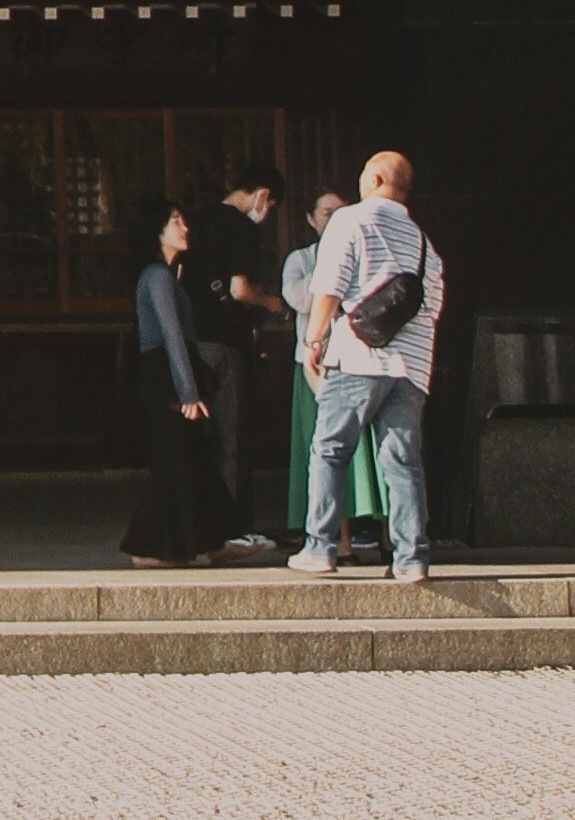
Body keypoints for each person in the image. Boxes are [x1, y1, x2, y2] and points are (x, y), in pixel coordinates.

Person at [294, 147, 443, 588]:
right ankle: (411, 558)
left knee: (330, 448)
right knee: (402, 461)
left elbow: (329, 286)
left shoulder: (350, 221)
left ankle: (320, 547)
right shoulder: (422, 241)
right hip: (411, 366)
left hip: (358, 357)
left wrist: (314, 340)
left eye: (363, 172)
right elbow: (432, 305)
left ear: (376, 180)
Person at [124, 201, 243, 568]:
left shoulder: (168, 274)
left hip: (172, 369)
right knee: (175, 459)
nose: (185, 227)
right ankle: (147, 548)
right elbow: (172, 335)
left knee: (196, 456)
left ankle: (215, 541)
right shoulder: (157, 276)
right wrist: (187, 392)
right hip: (165, 373)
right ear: (157, 231)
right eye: (176, 221)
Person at [280, 184, 390, 570]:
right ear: (311, 220)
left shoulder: (365, 253)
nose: (335, 219)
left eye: (342, 211)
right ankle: (338, 542)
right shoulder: (299, 259)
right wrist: (333, 270)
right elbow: (299, 299)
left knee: (378, 453)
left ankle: (390, 537)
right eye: (327, 213)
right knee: (327, 451)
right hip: (314, 366)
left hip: (360, 363)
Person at [194, 169, 291, 530]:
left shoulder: (197, 220)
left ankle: (202, 521)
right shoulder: (240, 227)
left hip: (191, 340)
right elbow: (239, 290)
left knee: (201, 438)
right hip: (224, 342)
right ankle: (232, 526)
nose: (266, 214)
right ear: (262, 195)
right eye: (270, 206)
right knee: (231, 439)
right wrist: (270, 302)